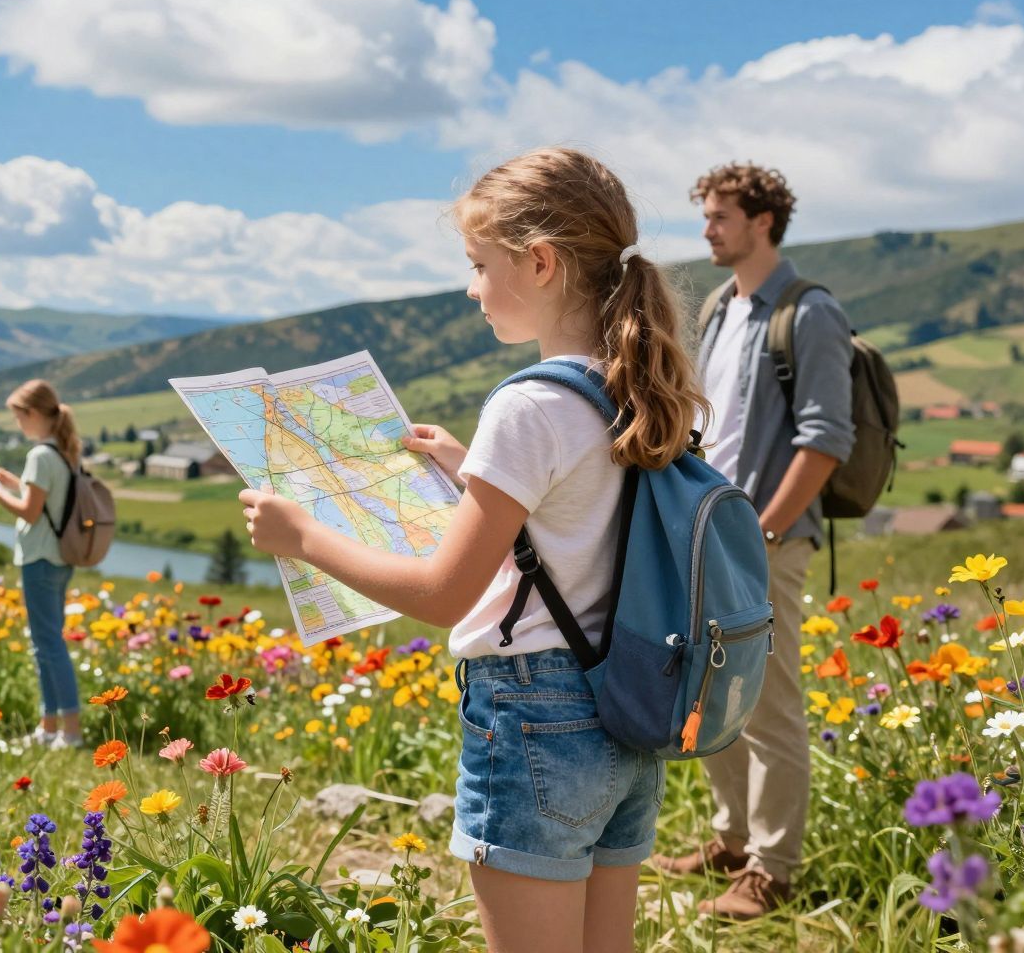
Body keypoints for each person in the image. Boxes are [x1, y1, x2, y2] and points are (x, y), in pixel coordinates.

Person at [240, 148, 705, 953]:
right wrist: (474, 473)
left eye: (477, 264)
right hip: (627, 713)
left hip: (535, 717)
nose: (469, 286)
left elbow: (442, 594)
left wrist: (305, 536)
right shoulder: (629, 385)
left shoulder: (529, 408)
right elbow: (582, 523)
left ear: (541, 262)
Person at [653, 163, 855, 919]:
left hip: (765, 537)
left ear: (762, 221)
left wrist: (765, 530)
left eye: (719, 217)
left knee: (769, 705)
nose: (707, 230)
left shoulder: (809, 313)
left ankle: (773, 868)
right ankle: (731, 842)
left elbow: (826, 439)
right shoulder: (718, 308)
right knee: (710, 690)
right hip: (712, 532)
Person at [0, 379, 84, 749]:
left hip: (39, 556)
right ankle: (50, 726)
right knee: (48, 642)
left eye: (18, 417)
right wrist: (17, 483)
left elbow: (31, 512)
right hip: (59, 558)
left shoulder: (39, 455)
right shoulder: (63, 452)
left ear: (33, 413)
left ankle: (68, 730)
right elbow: (47, 502)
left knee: (48, 645)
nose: (17, 424)